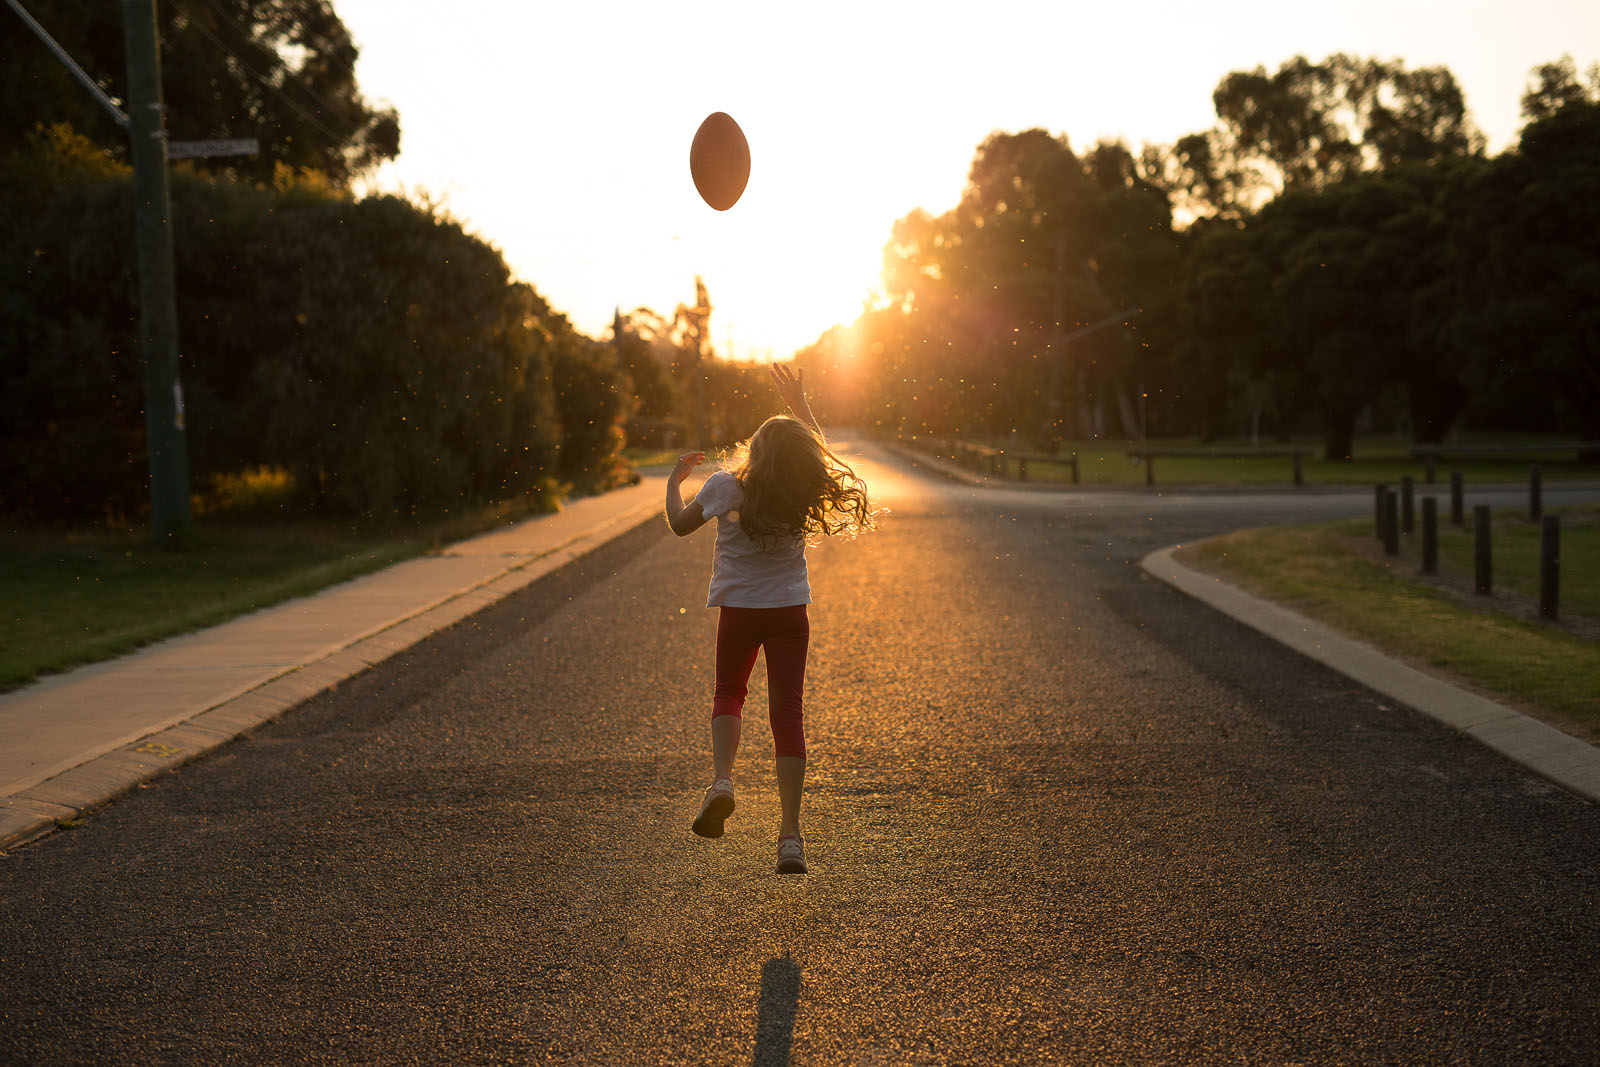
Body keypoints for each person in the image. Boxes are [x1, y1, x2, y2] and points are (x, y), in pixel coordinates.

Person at [663, 364, 873, 874]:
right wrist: (799, 401)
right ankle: (790, 838)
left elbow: (678, 526)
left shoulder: (723, 487)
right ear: (797, 457)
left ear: (754, 452)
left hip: (738, 611)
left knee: (729, 693)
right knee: (788, 715)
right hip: (788, 612)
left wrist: (673, 483)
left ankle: (722, 782)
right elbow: (815, 451)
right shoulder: (800, 486)